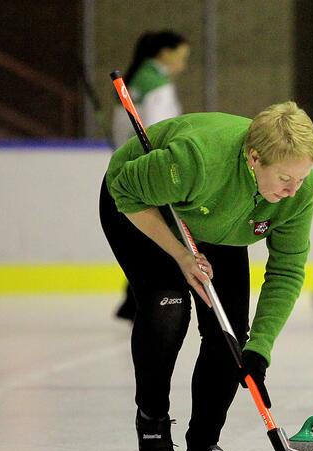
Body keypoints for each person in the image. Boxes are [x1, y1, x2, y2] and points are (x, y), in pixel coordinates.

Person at [99, 102, 313, 451]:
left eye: (301, 178)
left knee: (229, 333)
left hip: (217, 222)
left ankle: (203, 446)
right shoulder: (197, 160)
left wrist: (259, 350)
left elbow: (288, 268)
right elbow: (124, 191)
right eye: (285, 179)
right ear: (254, 158)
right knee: (167, 305)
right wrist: (180, 255)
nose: (294, 190)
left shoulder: (300, 191)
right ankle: (152, 426)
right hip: (143, 206)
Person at [111, 30, 190, 321]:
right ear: (165, 54)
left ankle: (131, 300)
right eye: (182, 57)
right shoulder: (155, 83)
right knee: (154, 235)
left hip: (130, 165)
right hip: (150, 170)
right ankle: (139, 300)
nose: (183, 64)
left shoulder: (138, 78)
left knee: (143, 233)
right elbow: (158, 130)